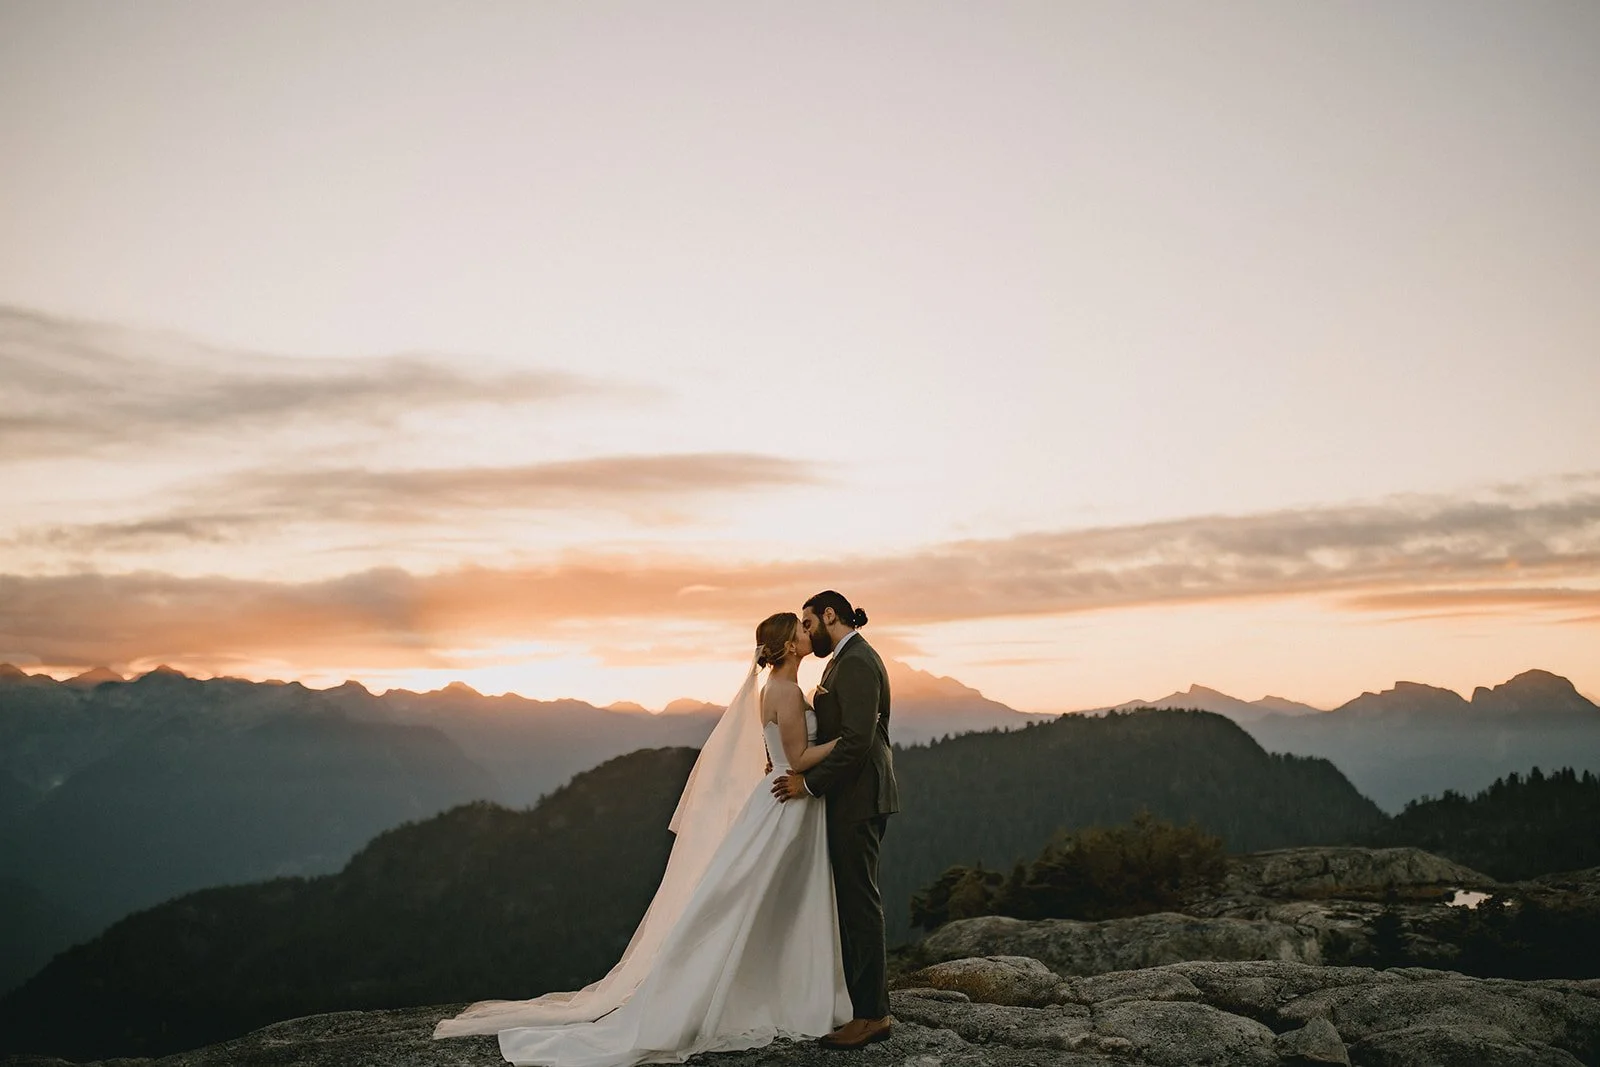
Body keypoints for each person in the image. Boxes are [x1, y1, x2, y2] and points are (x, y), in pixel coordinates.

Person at [433, 610, 854, 1066]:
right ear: (790, 646)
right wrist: (851, 741)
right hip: (789, 804)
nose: (808, 634)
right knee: (775, 901)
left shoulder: (773, 689)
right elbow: (797, 755)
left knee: (765, 901)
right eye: (801, 630)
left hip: (781, 801)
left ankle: (777, 988)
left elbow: (777, 752)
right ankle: (790, 992)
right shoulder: (787, 691)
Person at [772, 589, 899, 1050]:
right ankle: (862, 1005)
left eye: (807, 624)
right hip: (850, 795)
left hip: (859, 797)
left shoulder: (859, 661)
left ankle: (872, 1016)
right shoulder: (842, 660)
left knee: (860, 902)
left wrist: (808, 784)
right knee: (850, 899)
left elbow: (858, 741)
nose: (804, 633)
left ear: (830, 615)